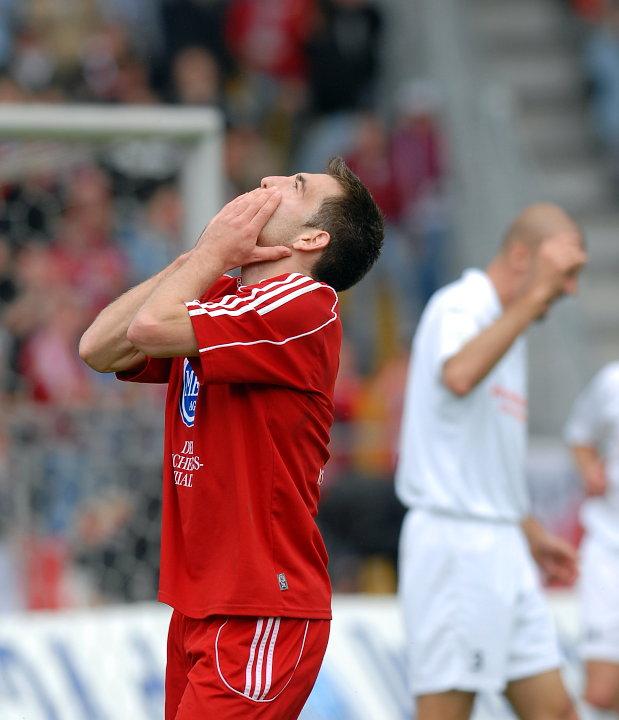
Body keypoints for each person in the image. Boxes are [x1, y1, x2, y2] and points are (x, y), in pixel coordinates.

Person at [78, 157, 383, 720]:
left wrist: (211, 254)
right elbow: (98, 348)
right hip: (201, 603)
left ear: (312, 238)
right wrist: (199, 260)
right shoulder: (219, 295)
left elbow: (148, 328)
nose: (269, 182)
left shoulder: (305, 305)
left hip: (262, 608)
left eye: (295, 186)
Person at [395, 203, 587, 720]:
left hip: (501, 544)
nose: (568, 290)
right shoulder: (460, 305)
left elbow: (477, 449)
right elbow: (458, 375)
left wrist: (528, 529)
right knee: (446, 712)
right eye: (564, 273)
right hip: (456, 548)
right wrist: (535, 297)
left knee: (557, 712)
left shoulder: (507, 330)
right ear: (522, 257)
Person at [565, 362, 619, 717]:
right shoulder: (613, 380)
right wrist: (589, 468)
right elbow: (579, 434)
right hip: (609, 547)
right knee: (601, 692)